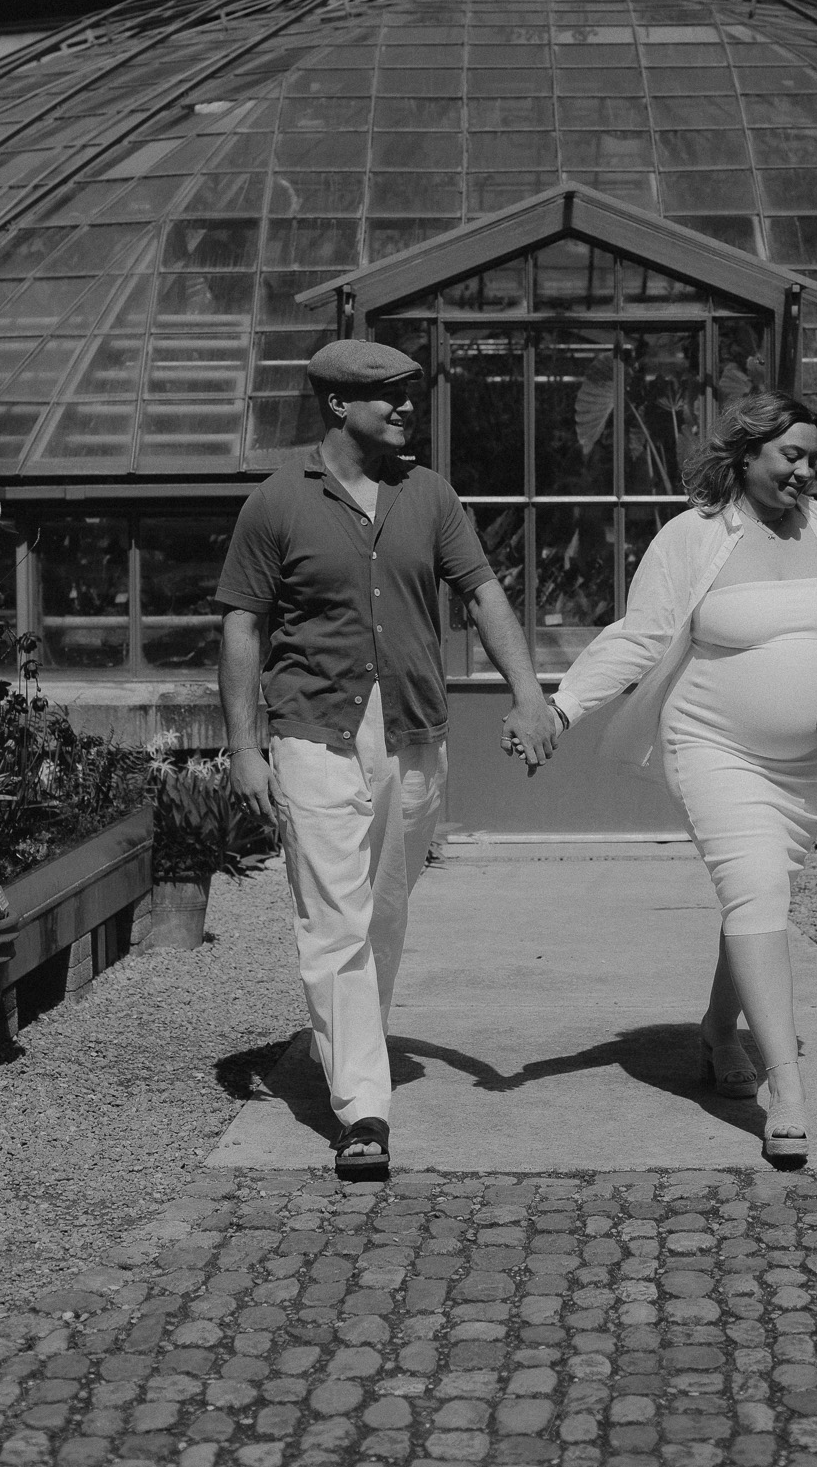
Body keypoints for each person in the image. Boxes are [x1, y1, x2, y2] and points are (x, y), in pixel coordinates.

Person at [216, 338, 556, 1182]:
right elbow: (242, 627)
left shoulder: (429, 495)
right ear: (338, 406)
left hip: (410, 731)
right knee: (334, 919)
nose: (408, 410)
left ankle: (352, 1044)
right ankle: (362, 1108)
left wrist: (529, 694)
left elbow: (481, 593)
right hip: (312, 730)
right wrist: (243, 747)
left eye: (409, 396)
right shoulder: (275, 503)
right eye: (392, 398)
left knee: (386, 911)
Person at [545, 390, 817, 1164]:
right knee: (757, 889)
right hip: (714, 746)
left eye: (813, 459)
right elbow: (642, 635)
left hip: (807, 763)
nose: (804, 473)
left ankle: (715, 1029)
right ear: (746, 455)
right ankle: (784, 1092)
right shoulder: (693, 536)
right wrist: (561, 708)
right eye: (791, 456)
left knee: (755, 894)